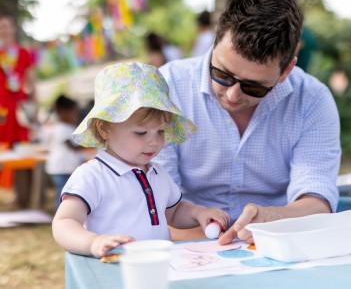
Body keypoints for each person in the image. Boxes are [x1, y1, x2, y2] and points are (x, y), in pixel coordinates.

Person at [153, 0, 341, 244]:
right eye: (222, 74)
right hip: (184, 242)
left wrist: (274, 218)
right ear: (215, 40)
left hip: (274, 242)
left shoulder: (312, 100)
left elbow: (317, 200)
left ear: (286, 71)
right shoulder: (167, 87)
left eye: (254, 87)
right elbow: (153, 200)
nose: (232, 95)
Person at [52, 63, 229, 258]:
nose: (154, 141)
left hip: (160, 265)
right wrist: (93, 242)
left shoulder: (157, 173)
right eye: (141, 132)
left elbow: (173, 212)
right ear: (104, 128)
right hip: (113, 266)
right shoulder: (92, 176)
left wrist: (198, 213)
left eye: (161, 131)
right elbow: (64, 222)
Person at [0, 11, 37, 146]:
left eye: (6, 26)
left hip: (19, 107)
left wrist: (35, 107)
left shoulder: (23, 52)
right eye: (1, 27)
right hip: (2, 106)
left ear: (13, 28)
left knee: (23, 144)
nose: (3, 30)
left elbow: (31, 82)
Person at [45, 94, 86, 211]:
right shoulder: (61, 128)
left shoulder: (68, 127)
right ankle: (60, 213)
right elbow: (72, 147)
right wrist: (89, 144)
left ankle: (63, 212)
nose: (76, 115)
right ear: (63, 112)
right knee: (63, 192)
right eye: (73, 112)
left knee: (66, 192)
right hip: (61, 168)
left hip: (65, 167)